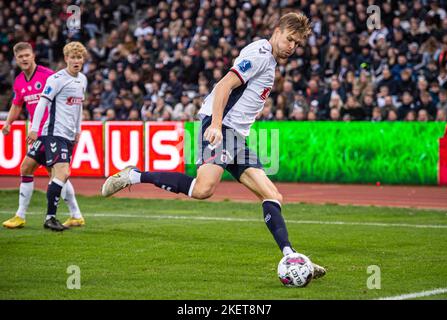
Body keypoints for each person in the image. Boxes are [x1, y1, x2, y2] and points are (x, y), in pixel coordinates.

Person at [101, 13, 326, 279]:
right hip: (223, 128)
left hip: (236, 134)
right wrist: (216, 125)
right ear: (276, 31)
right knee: (203, 189)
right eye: (289, 39)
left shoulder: (269, 59)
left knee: (273, 196)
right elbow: (223, 86)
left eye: (297, 44)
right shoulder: (261, 54)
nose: (292, 47)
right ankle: (133, 175)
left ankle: (291, 256)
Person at [2, 42, 84, 229]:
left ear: (33, 56)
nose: (24, 59)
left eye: (27, 55)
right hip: (41, 133)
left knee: (55, 173)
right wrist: (8, 123)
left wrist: (72, 129)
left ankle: (73, 215)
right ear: (16, 59)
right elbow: (17, 104)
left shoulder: (49, 75)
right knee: (27, 168)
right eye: (20, 56)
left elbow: (67, 100)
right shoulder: (19, 81)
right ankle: (21, 215)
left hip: (51, 131)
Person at [25, 42, 88, 231]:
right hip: (54, 133)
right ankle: (50, 217)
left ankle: (73, 215)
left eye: (79, 57)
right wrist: (34, 129)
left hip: (68, 135)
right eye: (73, 57)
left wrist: (78, 130)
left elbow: (79, 107)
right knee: (63, 173)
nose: (76, 61)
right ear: (66, 58)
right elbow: (42, 104)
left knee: (28, 167)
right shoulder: (56, 79)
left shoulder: (83, 79)